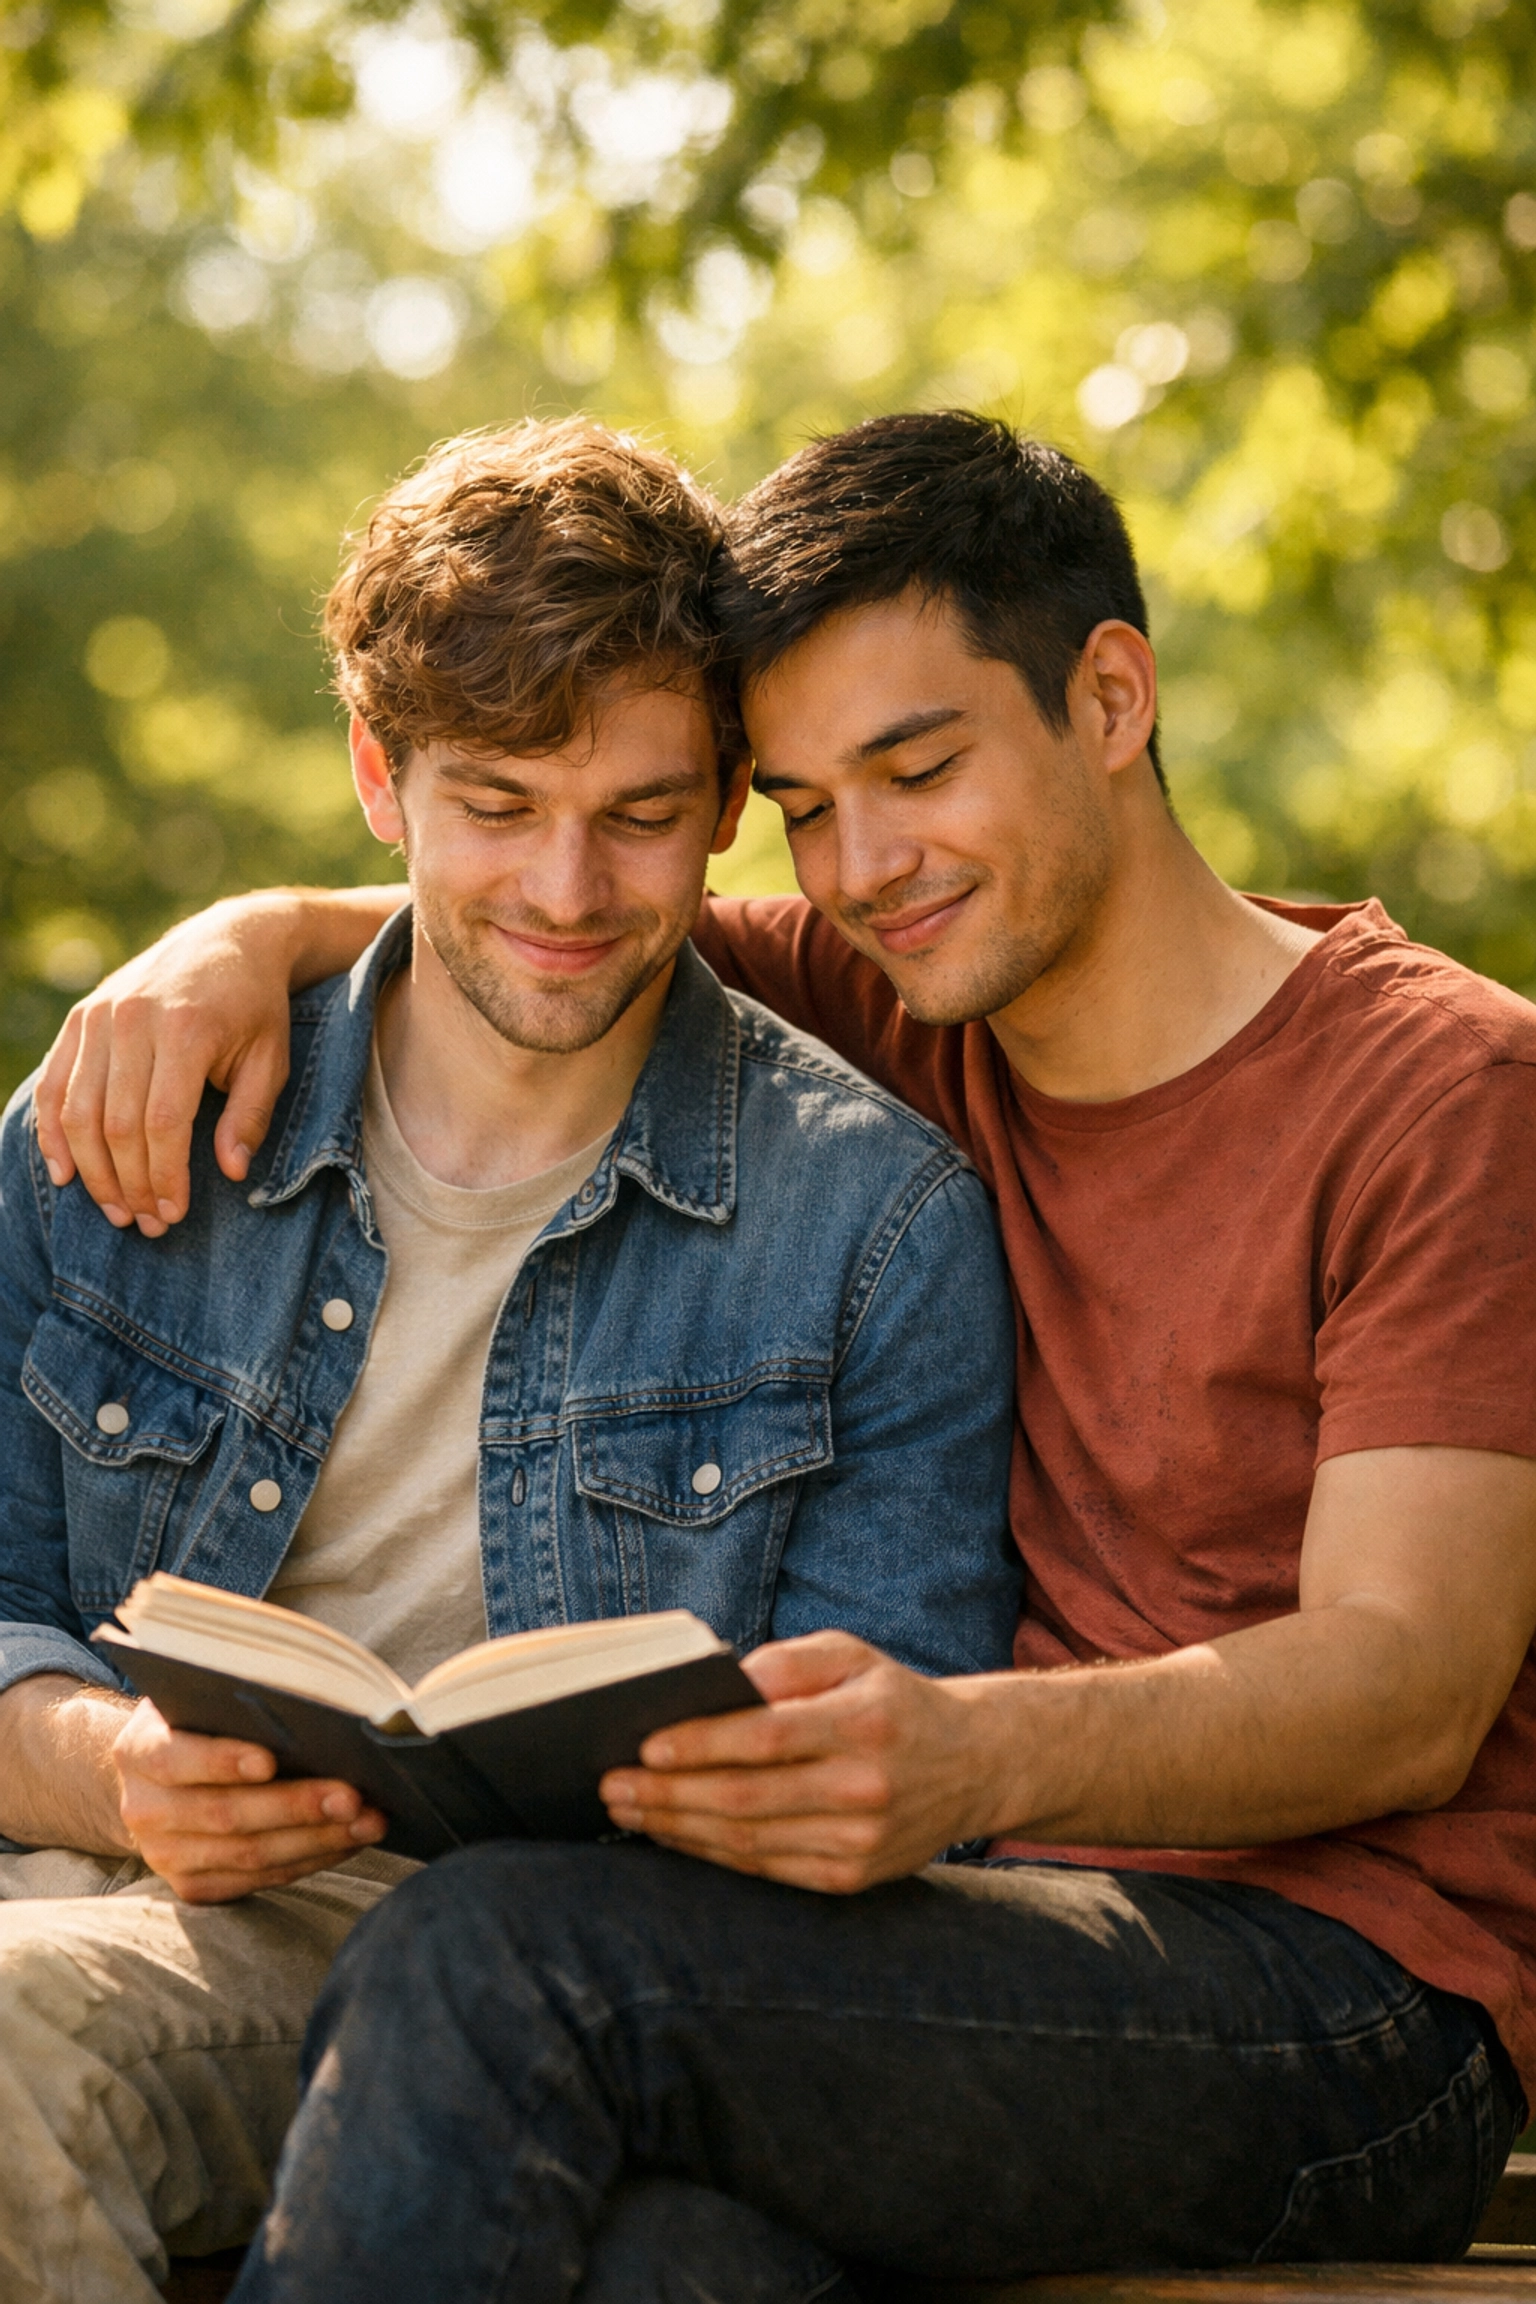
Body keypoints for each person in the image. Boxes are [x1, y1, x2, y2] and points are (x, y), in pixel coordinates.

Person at [38, 412, 1536, 2300]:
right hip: (969, 1955)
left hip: (1344, 2005)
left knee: (500, 1954)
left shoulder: (1452, 1093)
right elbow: (547, 910)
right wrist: (236, 940)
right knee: (659, 2268)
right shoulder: (905, 990)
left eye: (917, 770)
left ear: (1112, 696)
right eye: (811, 804)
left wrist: (968, 1749)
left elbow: (1409, 1684)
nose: (866, 863)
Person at [0, 417, 1022, 2304]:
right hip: (76, 1878)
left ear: (728, 803)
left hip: (454, 1970)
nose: (567, 890)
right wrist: (111, 1768)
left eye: (640, 814)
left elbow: (888, 1775)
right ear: (378, 778)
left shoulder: (872, 1228)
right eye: (497, 804)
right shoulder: (130, 1113)